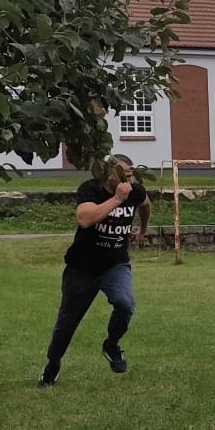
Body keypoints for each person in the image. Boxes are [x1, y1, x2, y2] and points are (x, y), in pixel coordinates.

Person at [40, 154, 149, 387]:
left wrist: (142, 230)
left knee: (125, 303)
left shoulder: (134, 191)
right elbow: (84, 219)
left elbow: (145, 204)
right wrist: (117, 199)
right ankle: (53, 363)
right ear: (109, 174)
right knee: (67, 324)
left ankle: (111, 344)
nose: (129, 182)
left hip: (115, 265)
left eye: (131, 176)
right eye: (124, 176)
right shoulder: (90, 189)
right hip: (82, 268)